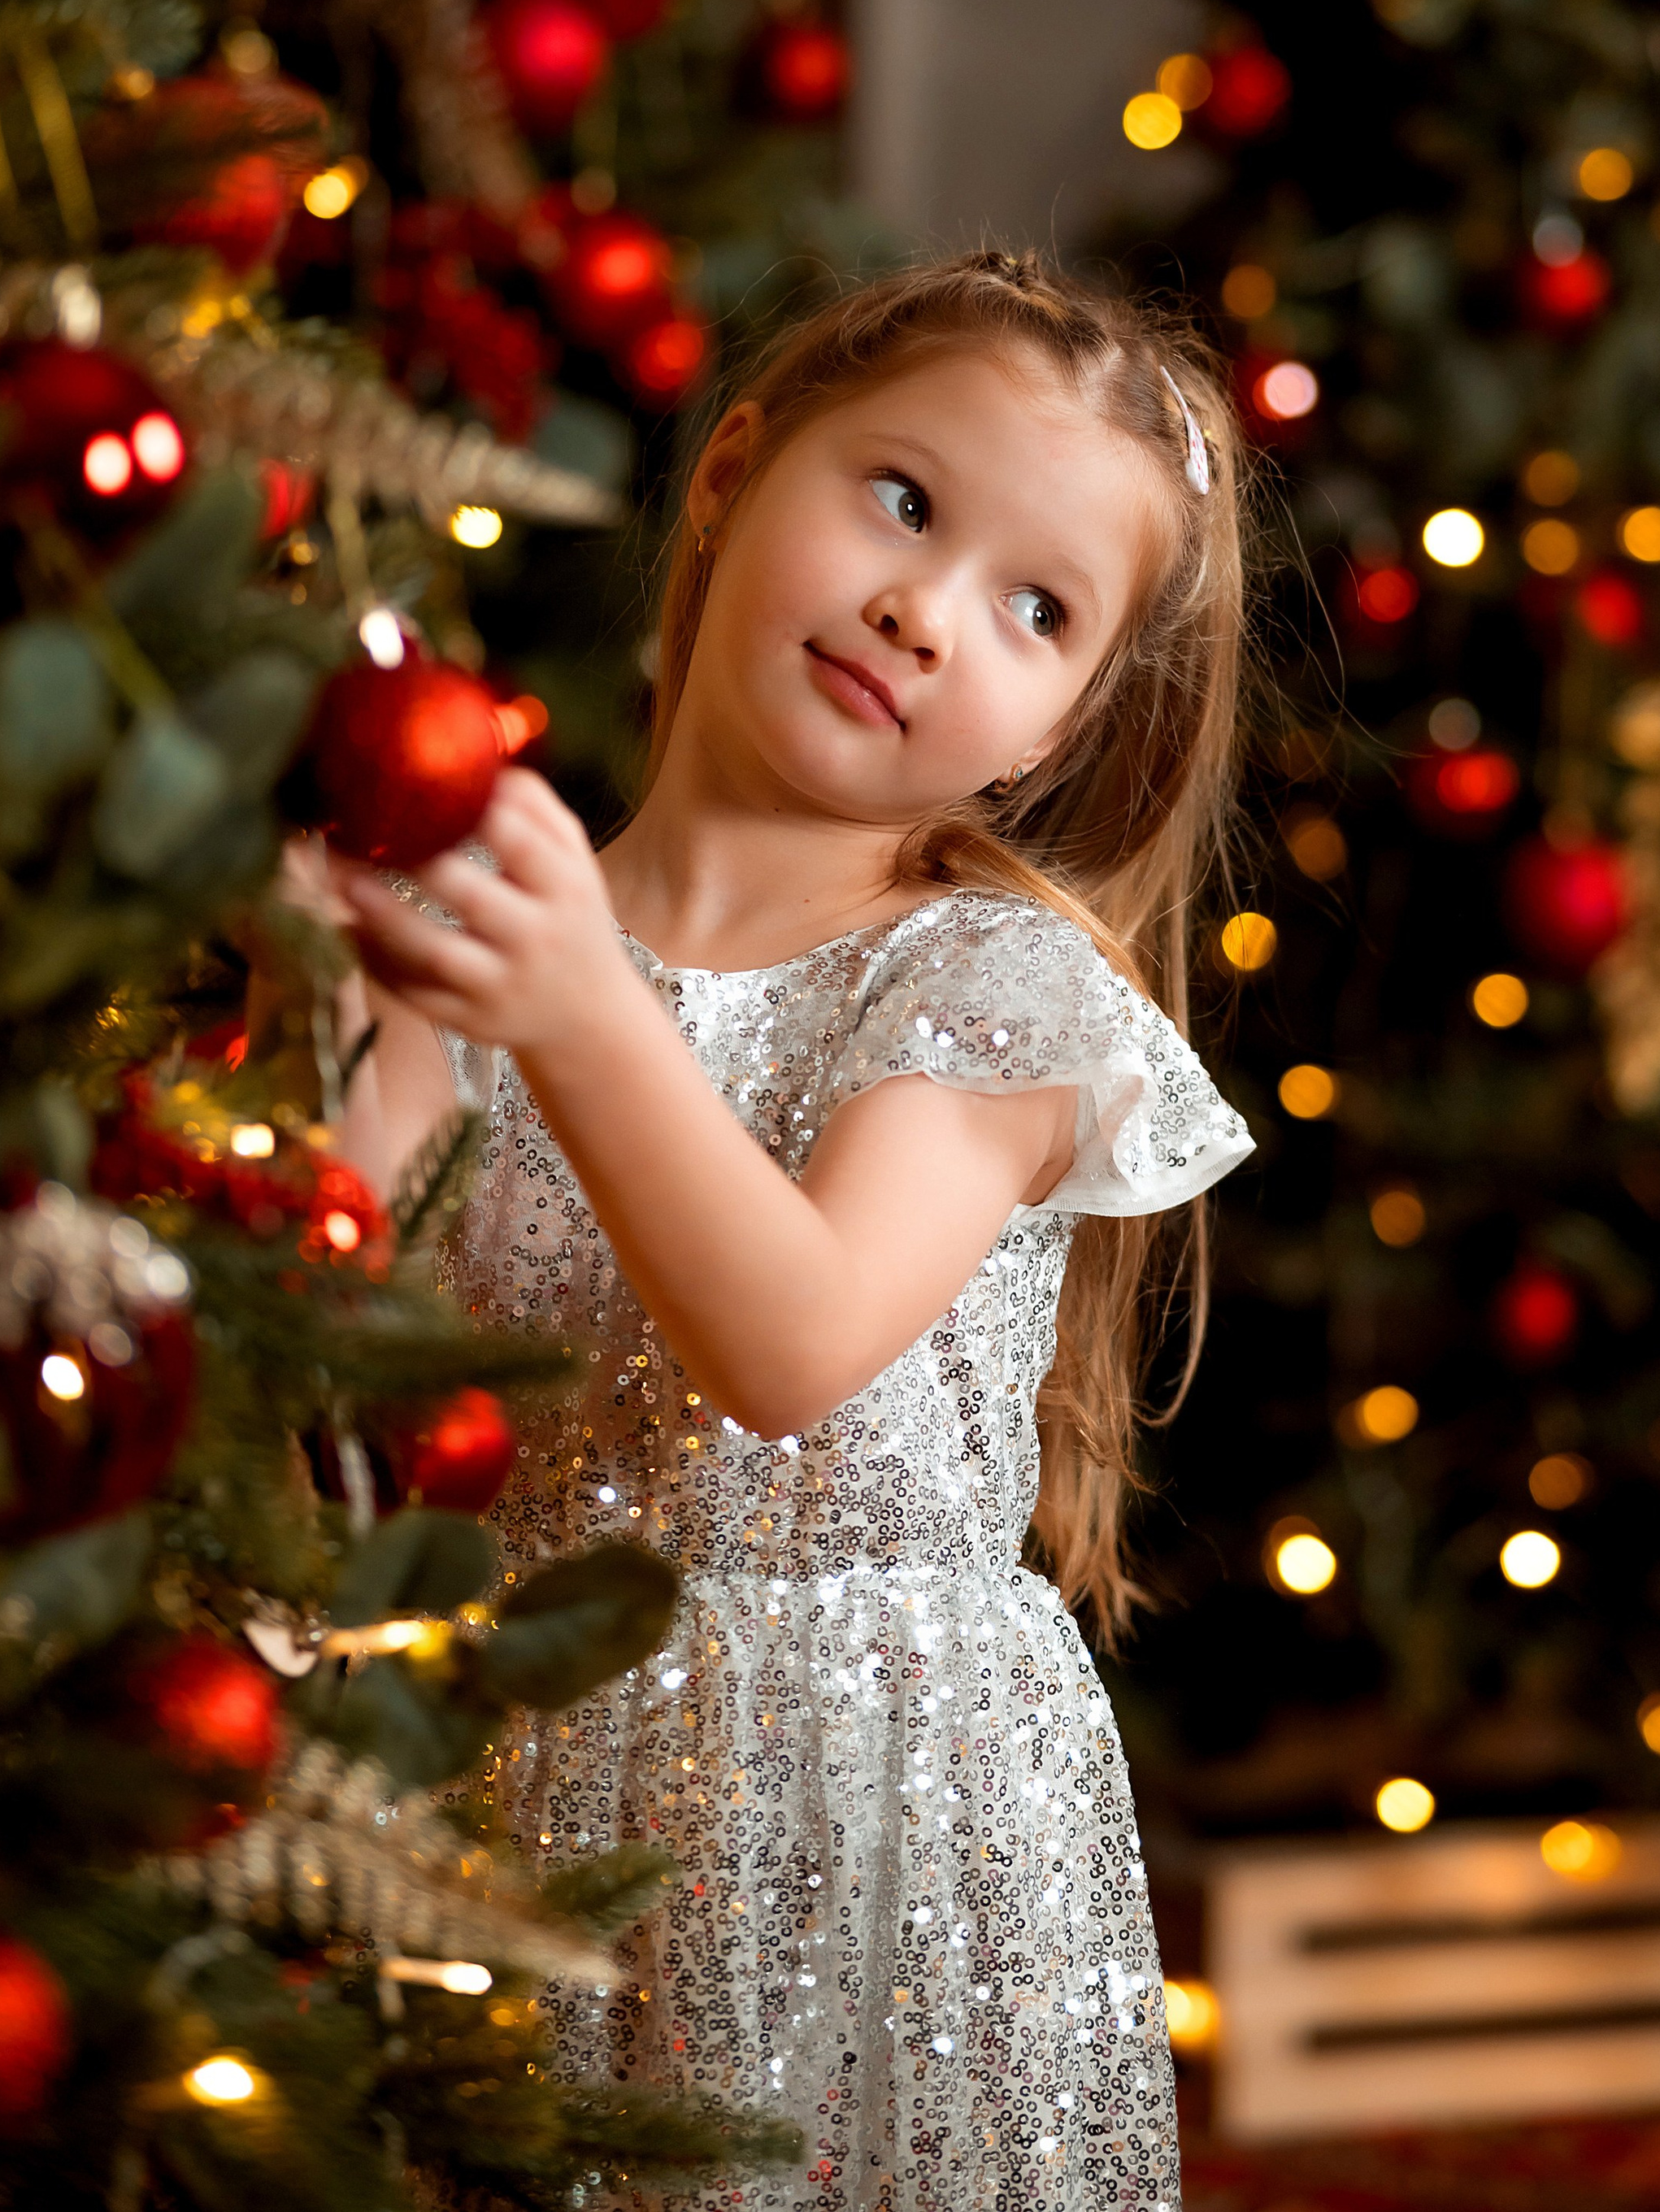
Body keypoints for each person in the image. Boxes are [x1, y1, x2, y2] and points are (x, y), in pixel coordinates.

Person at [325, 250, 1254, 2210]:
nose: (925, 611)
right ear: (736, 469)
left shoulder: (990, 989)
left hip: (868, 1820)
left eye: (1034, 607)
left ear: (1052, 734)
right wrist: (343, 987)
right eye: (902, 501)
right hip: (515, 1768)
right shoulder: (515, 932)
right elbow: (363, 1343)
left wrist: (575, 1004)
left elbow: (792, 1339)